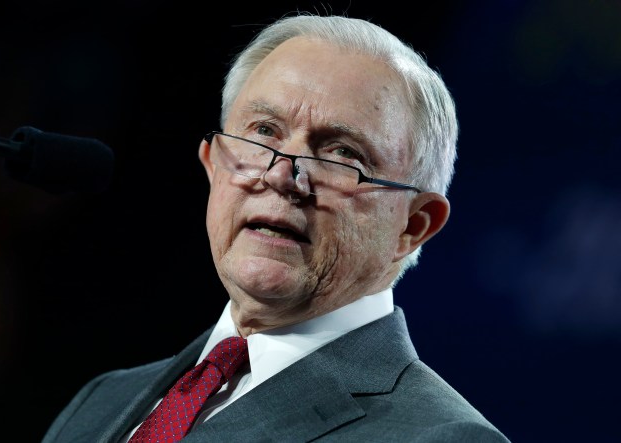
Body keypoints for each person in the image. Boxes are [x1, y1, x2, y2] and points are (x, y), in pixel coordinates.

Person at [44, 12, 509, 443]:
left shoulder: (439, 436)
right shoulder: (101, 400)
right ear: (214, 166)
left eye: (343, 153)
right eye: (263, 131)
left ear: (413, 224)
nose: (282, 176)